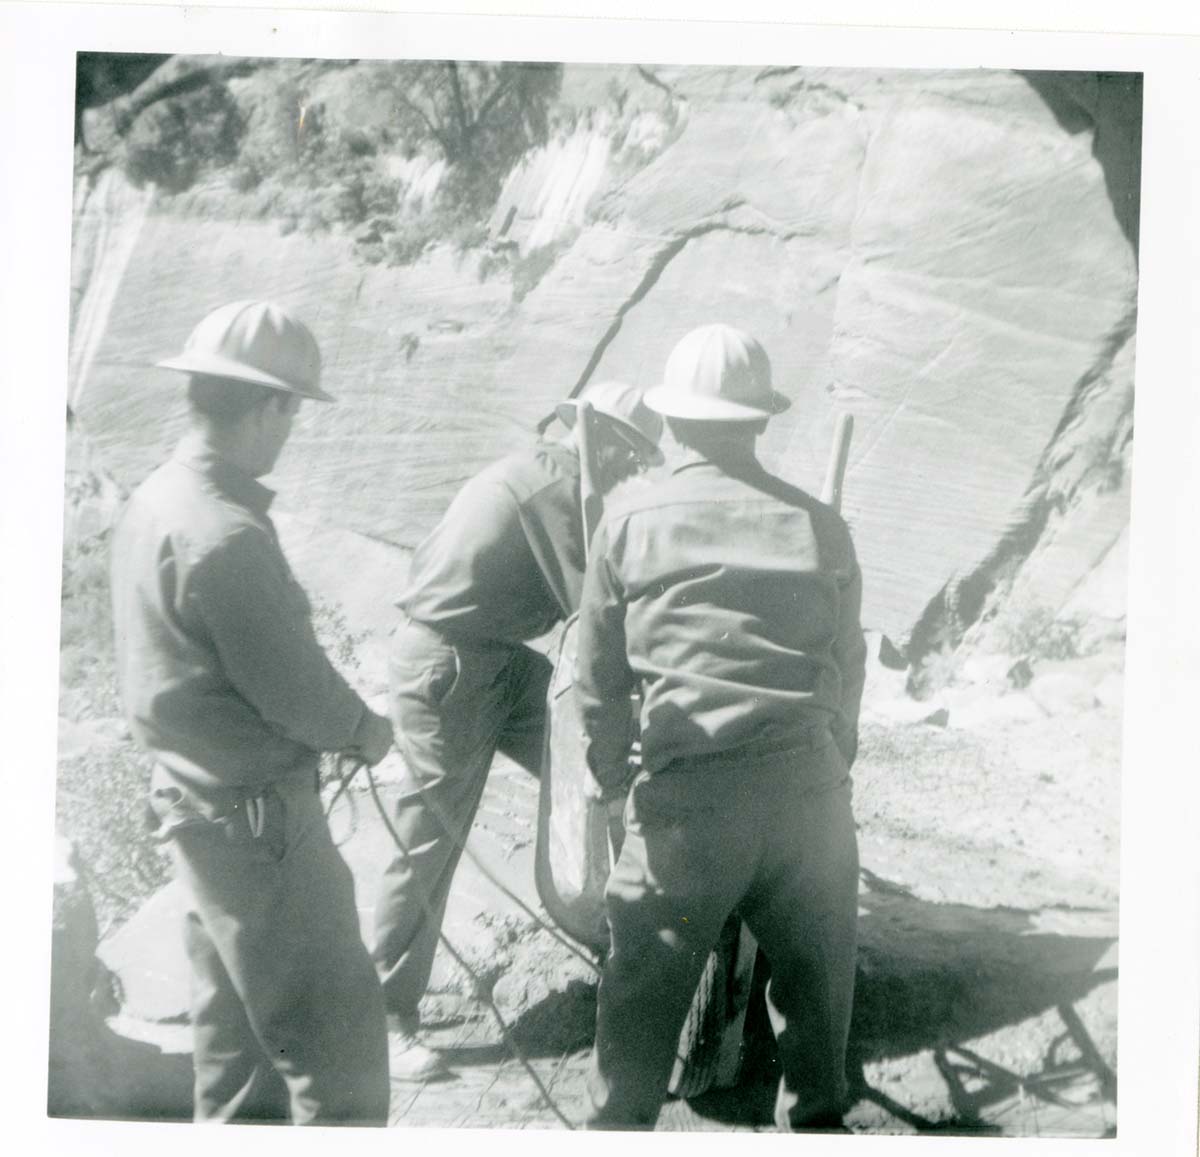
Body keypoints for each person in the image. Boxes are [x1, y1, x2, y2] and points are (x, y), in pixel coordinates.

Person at [574, 323, 868, 1131]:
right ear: (758, 420)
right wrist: (829, 764)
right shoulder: (820, 525)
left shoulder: (629, 520)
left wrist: (609, 778)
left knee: (634, 1021)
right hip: (810, 801)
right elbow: (848, 672)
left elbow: (596, 680)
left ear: (672, 420)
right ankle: (813, 1121)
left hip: (689, 808)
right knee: (818, 1022)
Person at [110, 300, 394, 1125]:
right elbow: (298, 692)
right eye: (293, 408)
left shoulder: (157, 500)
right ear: (270, 405)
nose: (292, 426)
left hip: (201, 825)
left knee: (237, 1068)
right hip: (263, 833)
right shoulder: (225, 533)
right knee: (338, 1061)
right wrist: (365, 729)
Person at [373, 380, 662, 1079]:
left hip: (494, 656)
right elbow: (598, 614)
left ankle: (619, 930)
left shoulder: (546, 475)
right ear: (606, 441)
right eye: (632, 453)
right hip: (450, 664)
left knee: (598, 760)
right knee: (428, 840)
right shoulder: (555, 488)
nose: (635, 470)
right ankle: (380, 1021)